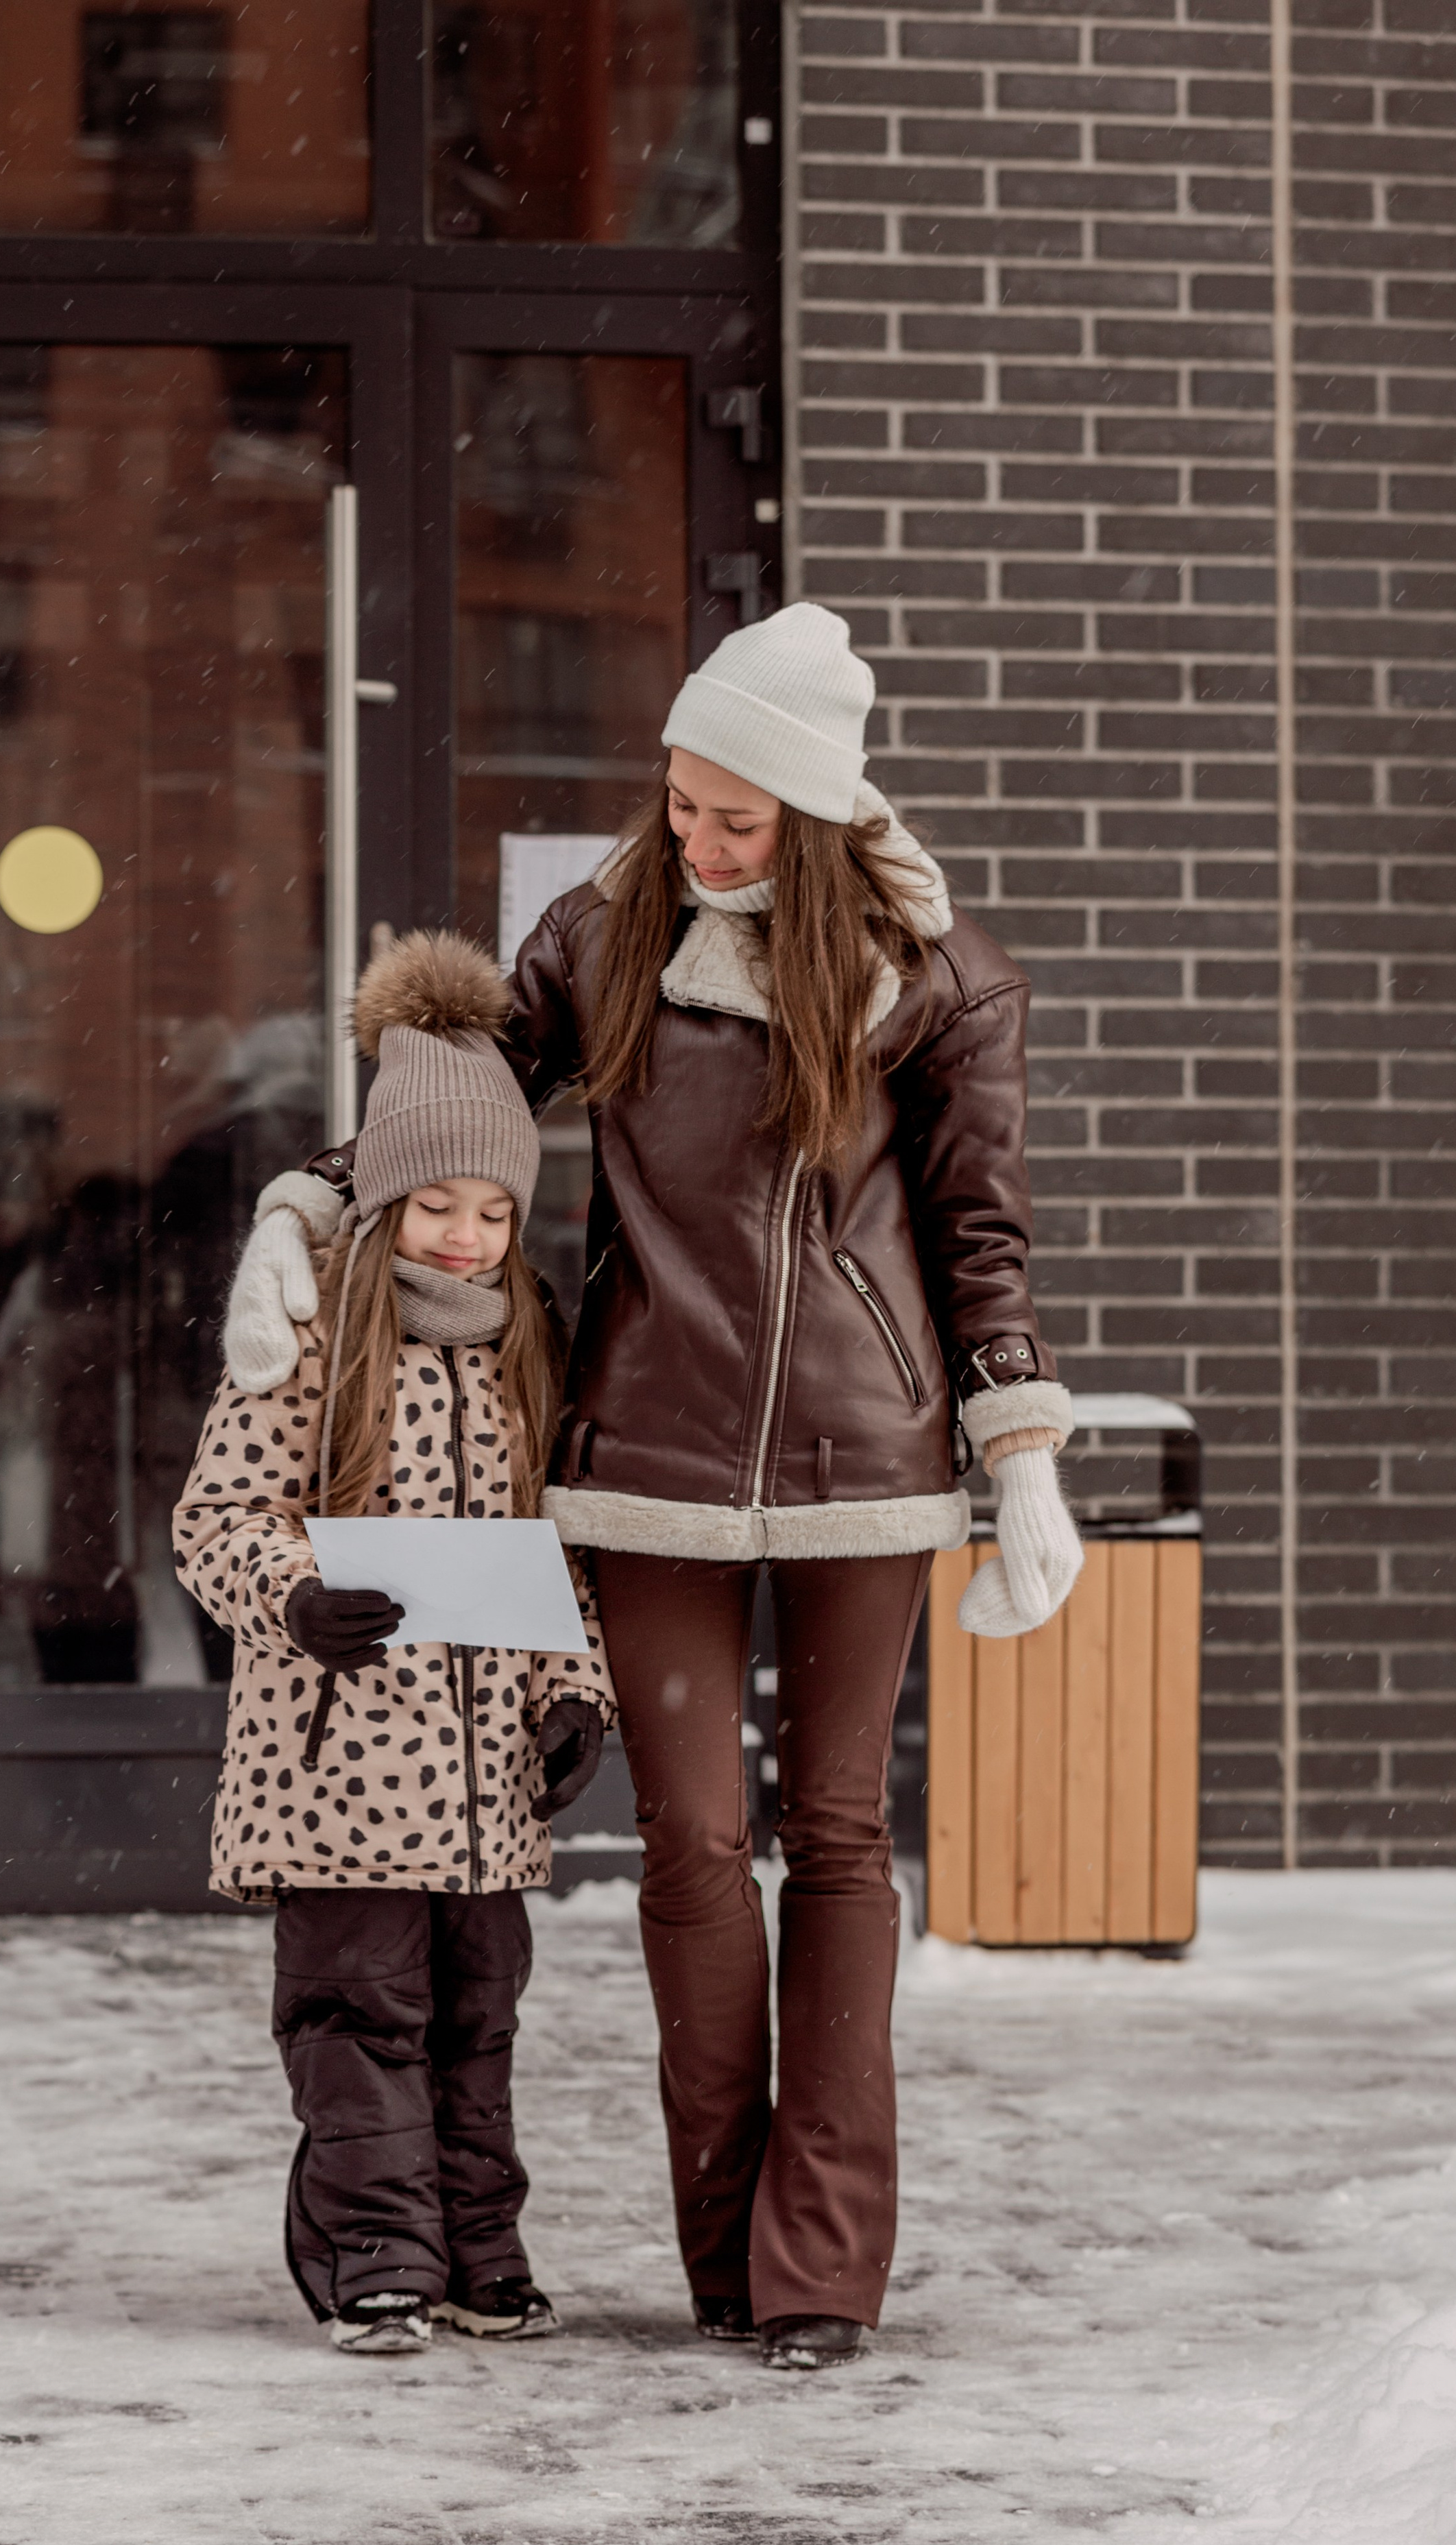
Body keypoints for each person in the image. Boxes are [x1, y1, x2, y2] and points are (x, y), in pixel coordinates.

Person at [223, 603, 1079, 2371]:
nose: (694, 838)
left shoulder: (938, 978)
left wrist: (1020, 1452)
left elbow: (979, 1239)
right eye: (678, 801)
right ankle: (722, 2263)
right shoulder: (607, 933)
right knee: (692, 1847)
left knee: (836, 1841)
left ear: (817, 812)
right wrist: (309, 1202)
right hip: (646, 1461)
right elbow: (453, 1101)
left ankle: (818, 2268)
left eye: (733, 816)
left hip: (866, 1465)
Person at [174, 931, 615, 2356]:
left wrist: (572, 1696)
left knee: (474, 2022)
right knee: (358, 2023)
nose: (465, 1236)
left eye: (492, 1211)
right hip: (339, 1771)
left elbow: (557, 1560)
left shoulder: (524, 1347)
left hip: (484, 1790)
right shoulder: (309, 1338)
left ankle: (479, 2246)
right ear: (383, 1199)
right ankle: (375, 2256)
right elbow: (215, 1519)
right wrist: (293, 1596)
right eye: (436, 1203)